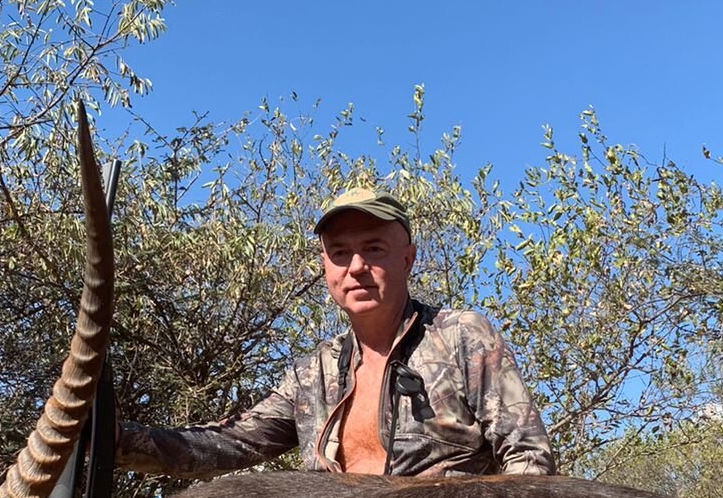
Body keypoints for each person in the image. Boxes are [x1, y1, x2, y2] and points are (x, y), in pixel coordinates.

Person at [117, 186, 557, 478]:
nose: (356, 268)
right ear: (326, 267)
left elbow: (529, 460)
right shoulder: (316, 372)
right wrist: (114, 438)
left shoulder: (463, 336)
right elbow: (229, 442)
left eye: (373, 249)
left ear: (407, 259)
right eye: (340, 253)